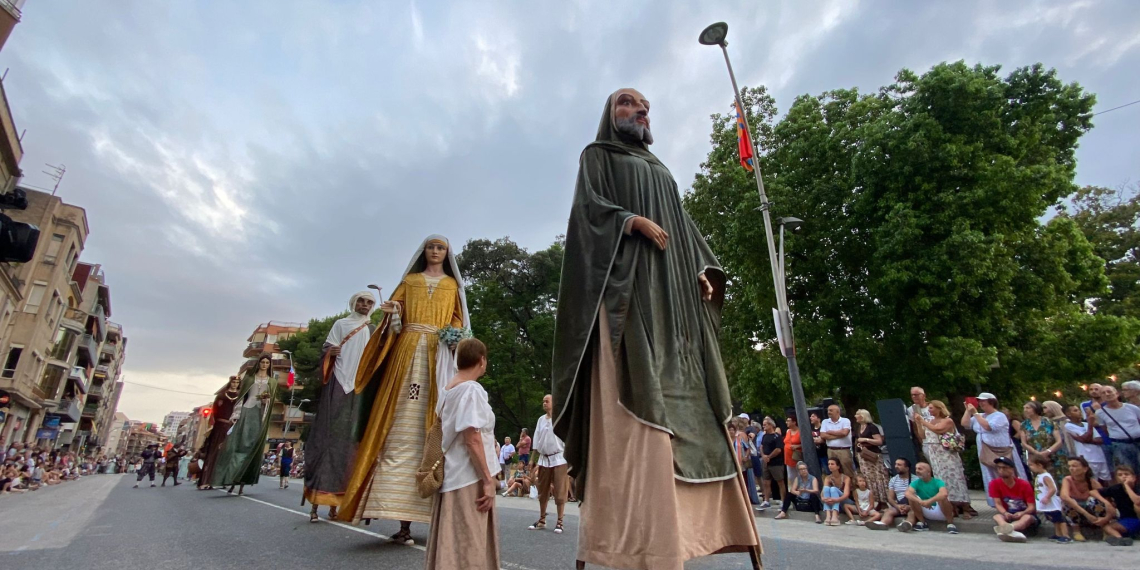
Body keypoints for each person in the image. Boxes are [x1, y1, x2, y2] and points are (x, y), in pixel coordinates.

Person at [551, 88, 760, 570]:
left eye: (644, 105)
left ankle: (710, 529)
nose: (640, 110)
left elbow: (683, 227)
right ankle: (644, 540)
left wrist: (703, 269)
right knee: (641, 397)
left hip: (677, 305)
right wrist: (629, 221)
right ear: (610, 113)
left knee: (698, 402)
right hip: (630, 291)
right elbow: (588, 213)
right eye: (628, 103)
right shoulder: (598, 156)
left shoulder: (662, 169)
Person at [338, 235, 471, 547]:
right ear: (424, 251)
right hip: (406, 352)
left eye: (441, 248)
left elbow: (458, 322)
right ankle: (398, 517)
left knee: (433, 429)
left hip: (437, 358)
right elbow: (395, 313)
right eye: (431, 247)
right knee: (397, 426)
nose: (435, 252)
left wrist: (453, 338)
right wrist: (391, 312)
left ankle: (432, 514)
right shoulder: (409, 281)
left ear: (447, 254)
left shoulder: (452, 286)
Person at [425, 338, 500, 569]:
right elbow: (472, 437)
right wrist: (488, 480)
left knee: (452, 539)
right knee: (470, 542)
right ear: (482, 360)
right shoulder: (471, 390)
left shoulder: (448, 389)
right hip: (469, 476)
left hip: (453, 472)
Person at [303, 290, 377, 521]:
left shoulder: (374, 330)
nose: (364, 305)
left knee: (352, 444)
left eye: (369, 302)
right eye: (361, 301)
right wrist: (330, 353)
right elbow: (326, 351)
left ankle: (341, 503)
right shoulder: (341, 324)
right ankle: (317, 502)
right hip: (338, 383)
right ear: (354, 303)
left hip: (359, 387)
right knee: (328, 439)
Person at [212, 354, 278, 496]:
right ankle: (228, 477)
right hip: (245, 412)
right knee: (234, 445)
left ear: (269, 365)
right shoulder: (248, 379)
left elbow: (270, 403)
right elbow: (241, 398)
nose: (265, 364)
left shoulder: (272, 382)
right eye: (262, 362)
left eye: (267, 362)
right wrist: (235, 416)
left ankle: (242, 479)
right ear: (259, 363)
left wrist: (266, 401)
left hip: (259, 415)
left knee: (251, 448)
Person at [962, 392, 1027, 506]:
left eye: (983, 401)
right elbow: (965, 424)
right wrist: (968, 411)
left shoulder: (999, 416)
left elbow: (988, 427)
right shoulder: (980, 415)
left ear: (991, 402)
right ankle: (998, 501)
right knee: (991, 475)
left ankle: (1017, 499)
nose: (981, 403)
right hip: (985, 450)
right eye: (979, 401)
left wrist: (976, 414)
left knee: (1006, 472)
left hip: (1000, 450)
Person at [914, 400, 972, 517]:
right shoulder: (929, 421)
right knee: (941, 479)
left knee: (954, 478)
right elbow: (922, 435)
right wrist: (919, 423)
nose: (929, 410)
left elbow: (938, 430)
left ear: (939, 408)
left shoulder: (948, 420)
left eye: (931, 408)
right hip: (934, 454)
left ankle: (965, 506)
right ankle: (950, 505)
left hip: (946, 453)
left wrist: (922, 421)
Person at [529, 394, 570, 534]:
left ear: (554, 403)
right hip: (544, 459)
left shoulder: (560, 418)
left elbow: (567, 438)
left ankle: (560, 521)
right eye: (543, 401)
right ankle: (542, 519)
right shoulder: (541, 420)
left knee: (559, 491)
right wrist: (532, 458)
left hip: (559, 458)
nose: (544, 403)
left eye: (547, 401)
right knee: (542, 491)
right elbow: (536, 438)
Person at [199, 376, 242, 489]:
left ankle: (222, 480)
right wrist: (212, 425)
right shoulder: (222, 395)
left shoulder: (240, 396)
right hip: (219, 425)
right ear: (230, 383)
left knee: (228, 453)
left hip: (232, 426)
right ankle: (206, 480)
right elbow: (214, 411)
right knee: (214, 452)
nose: (235, 384)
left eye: (237, 382)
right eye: (233, 382)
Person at [1090, 385, 1140, 475]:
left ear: (1117, 393)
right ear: (1101, 397)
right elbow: (1104, 429)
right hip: (1120, 445)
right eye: (1103, 393)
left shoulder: (1132, 408)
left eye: (1109, 391)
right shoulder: (1100, 413)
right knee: (1127, 471)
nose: (1107, 394)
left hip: (1138, 441)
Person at [900, 462, 958, 534]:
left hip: (941, 511)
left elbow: (944, 493)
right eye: (916, 469)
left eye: (920, 469)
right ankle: (922, 523)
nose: (917, 471)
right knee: (911, 498)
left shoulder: (938, 482)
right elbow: (907, 493)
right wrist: (920, 501)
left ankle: (950, 523)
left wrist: (929, 501)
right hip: (926, 510)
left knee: (942, 498)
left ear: (928, 472)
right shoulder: (915, 483)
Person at [989, 456, 1037, 543]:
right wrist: (1005, 513)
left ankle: (1006, 529)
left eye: (1004, 468)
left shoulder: (1024, 484)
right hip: (1009, 514)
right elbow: (998, 503)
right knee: (997, 516)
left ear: (1012, 469)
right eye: (999, 468)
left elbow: (1031, 507)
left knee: (1026, 518)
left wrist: (1022, 513)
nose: (1001, 470)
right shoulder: (994, 484)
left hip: (1024, 513)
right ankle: (1010, 531)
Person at [1060, 456, 1108, 542]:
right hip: (1078, 511)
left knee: (1093, 500)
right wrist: (1086, 514)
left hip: (1091, 511)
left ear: (1085, 469)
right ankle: (1076, 531)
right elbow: (1064, 496)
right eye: (1070, 466)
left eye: (1074, 466)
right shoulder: (1067, 480)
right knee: (1068, 502)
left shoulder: (1092, 482)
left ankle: (1105, 529)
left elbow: (1105, 499)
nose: (1071, 468)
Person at [1090, 465, 1140, 546]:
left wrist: (1127, 485)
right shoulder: (1116, 488)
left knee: (1136, 506)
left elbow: (1137, 501)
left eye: (1126, 474)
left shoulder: (1137, 488)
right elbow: (1093, 492)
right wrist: (1107, 503)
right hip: (1125, 519)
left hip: (1136, 517)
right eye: (1120, 475)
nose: (1123, 477)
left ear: (1134, 477)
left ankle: (1119, 538)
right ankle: (1120, 539)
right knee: (1106, 526)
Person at [1062, 404, 1111, 484]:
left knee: (1105, 480)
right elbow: (1086, 438)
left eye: (1078, 410)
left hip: (1099, 456)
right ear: (1068, 414)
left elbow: (1100, 440)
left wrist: (1085, 439)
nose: (1079, 412)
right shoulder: (1068, 426)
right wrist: (1090, 426)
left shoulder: (1086, 424)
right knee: (1091, 480)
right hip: (1087, 457)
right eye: (1075, 410)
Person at [1028, 455, 1071, 543]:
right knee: (1054, 519)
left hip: (1052, 503)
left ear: (1039, 465)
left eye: (1031, 465)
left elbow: (1053, 488)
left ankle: (1066, 535)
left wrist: (1047, 497)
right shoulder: (1040, 476)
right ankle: (1058, 534)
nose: (1030, 467)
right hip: (1046, 503)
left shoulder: (1046, 476)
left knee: (1059, 519)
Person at [1020, 400, 1067, 479]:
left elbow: (1059, 441)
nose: (1025, 410)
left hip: (1053, 456)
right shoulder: (1024, 425)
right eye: (1024, 408)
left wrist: (1047, 452)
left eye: (1028, 408)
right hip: (1036, 458)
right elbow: (1024, 443)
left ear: (1035, 409)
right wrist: (1036, 453)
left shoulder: (1049, 422)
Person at [853, 409, 889, 511]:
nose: (855, 416)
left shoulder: (872, 427)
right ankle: (875, 500)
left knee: (878, 477)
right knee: (869, 477)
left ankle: (883, 501)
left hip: (872, 455)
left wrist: (865, 439)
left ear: (863, 416)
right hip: (863, 456)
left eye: (857, 414)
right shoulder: (859, 427)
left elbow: (879, 441)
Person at [869, 458, 913, 530]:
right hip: (899, 504)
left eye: (899, 465)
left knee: (913, 511)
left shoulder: (916, 479)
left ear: (907, 468)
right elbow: (890, 498)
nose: (896, 466)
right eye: (895, 464)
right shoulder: (893, 480)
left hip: (912, 504)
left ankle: (906, 524)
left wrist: (909, 506)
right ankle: (882, 524)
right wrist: (897, 506)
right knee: (889, 511)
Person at [730, 420, 762, 507]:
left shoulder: (739, 438)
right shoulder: (728, 440)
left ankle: (746, 498)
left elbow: (748, 447)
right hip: (732, 464)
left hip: (741, 463)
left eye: (732, 430)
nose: (731, 431)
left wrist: (746, 456)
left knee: (744, 481)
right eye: (730, 430)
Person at [820, 405, 855, 479]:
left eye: (831, 410)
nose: (829, 412)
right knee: (834, 471)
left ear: (838, 412)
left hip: (844, 450)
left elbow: (845, 433)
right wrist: (839, 435)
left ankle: (851, 488)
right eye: (828, 410)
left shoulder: (845, 421)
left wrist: (830, 432)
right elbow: (823, 435)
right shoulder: (825, 422)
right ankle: (838, 488)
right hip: (831, 450)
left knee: (847, 470)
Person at [760, 418, 786, 510]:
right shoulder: (764, 436)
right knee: (766, 482)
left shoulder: (777, 436)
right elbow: (762, 446)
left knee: (780, 481)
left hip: (776, 463)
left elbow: (778, 449)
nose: (764, 426)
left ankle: (783, 501)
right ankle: (766, 500)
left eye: (765, 424)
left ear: (771, 425)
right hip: (766, 462)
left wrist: (769, 457)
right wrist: (763, 456)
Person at [821, 457, 851, 526]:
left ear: (838, 466)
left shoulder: (846, 478)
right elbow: (823, 492)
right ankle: (828, 515)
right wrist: (823, 498)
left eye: (832, 464)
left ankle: (835, 515)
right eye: (829, 464)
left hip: (844, 501)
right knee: (826, 488)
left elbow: (846, 494)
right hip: (832, 501)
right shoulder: (828, 478)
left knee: (833, 489)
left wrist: (836, 499)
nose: (830, 466)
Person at [783, 416, 802, 480]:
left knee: (799, 475)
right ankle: (794, 489)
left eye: (788, 421)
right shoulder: (788, 431)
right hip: (788, 457)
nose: (786, 422)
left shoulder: (800, 431)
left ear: (794, 422)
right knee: (791, 477)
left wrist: (798, 446)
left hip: (797, 457)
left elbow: (806, 443)